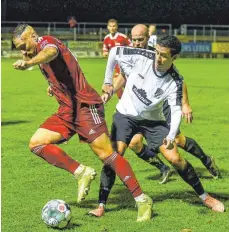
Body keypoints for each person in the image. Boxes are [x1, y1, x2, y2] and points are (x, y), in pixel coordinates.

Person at [12, 23, 153, 222]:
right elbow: (60, 69)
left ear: (33, 36)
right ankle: (81, 172)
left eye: (23, 45)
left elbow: (51, 53)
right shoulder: (38, 52)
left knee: (107, 155)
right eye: (19, 49)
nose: (23, 51)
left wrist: (29, 63)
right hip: (66, 110)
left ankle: (142, 199)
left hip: (85, 106)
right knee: (36, 143)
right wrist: (54, 86)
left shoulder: (47, 43)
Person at [89, 35, 225, 217]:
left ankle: (205, 197)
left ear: (174, 58)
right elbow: (114, 52)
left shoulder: (175, 80)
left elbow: (176, 110)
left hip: (152, 121)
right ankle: (101, 205)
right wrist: (107, 82)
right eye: (156, 52)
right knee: (115, 156)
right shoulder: (143, 55)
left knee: (175, 158)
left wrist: (169, 136)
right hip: (125, 115)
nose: (157, 58)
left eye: (163, 56)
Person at [103, 19, 132, 99]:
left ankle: (129, 100)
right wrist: (105, 52)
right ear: (108, 27)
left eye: (114, 26)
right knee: (117, 85)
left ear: (117, 27)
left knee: (127, 85)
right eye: (110, 26)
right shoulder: (106, 38)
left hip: (125, 64)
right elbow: (105, 48)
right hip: (115, 66)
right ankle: (122, 101)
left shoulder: (123, 37)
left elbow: (131, 46)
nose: (112, 28)